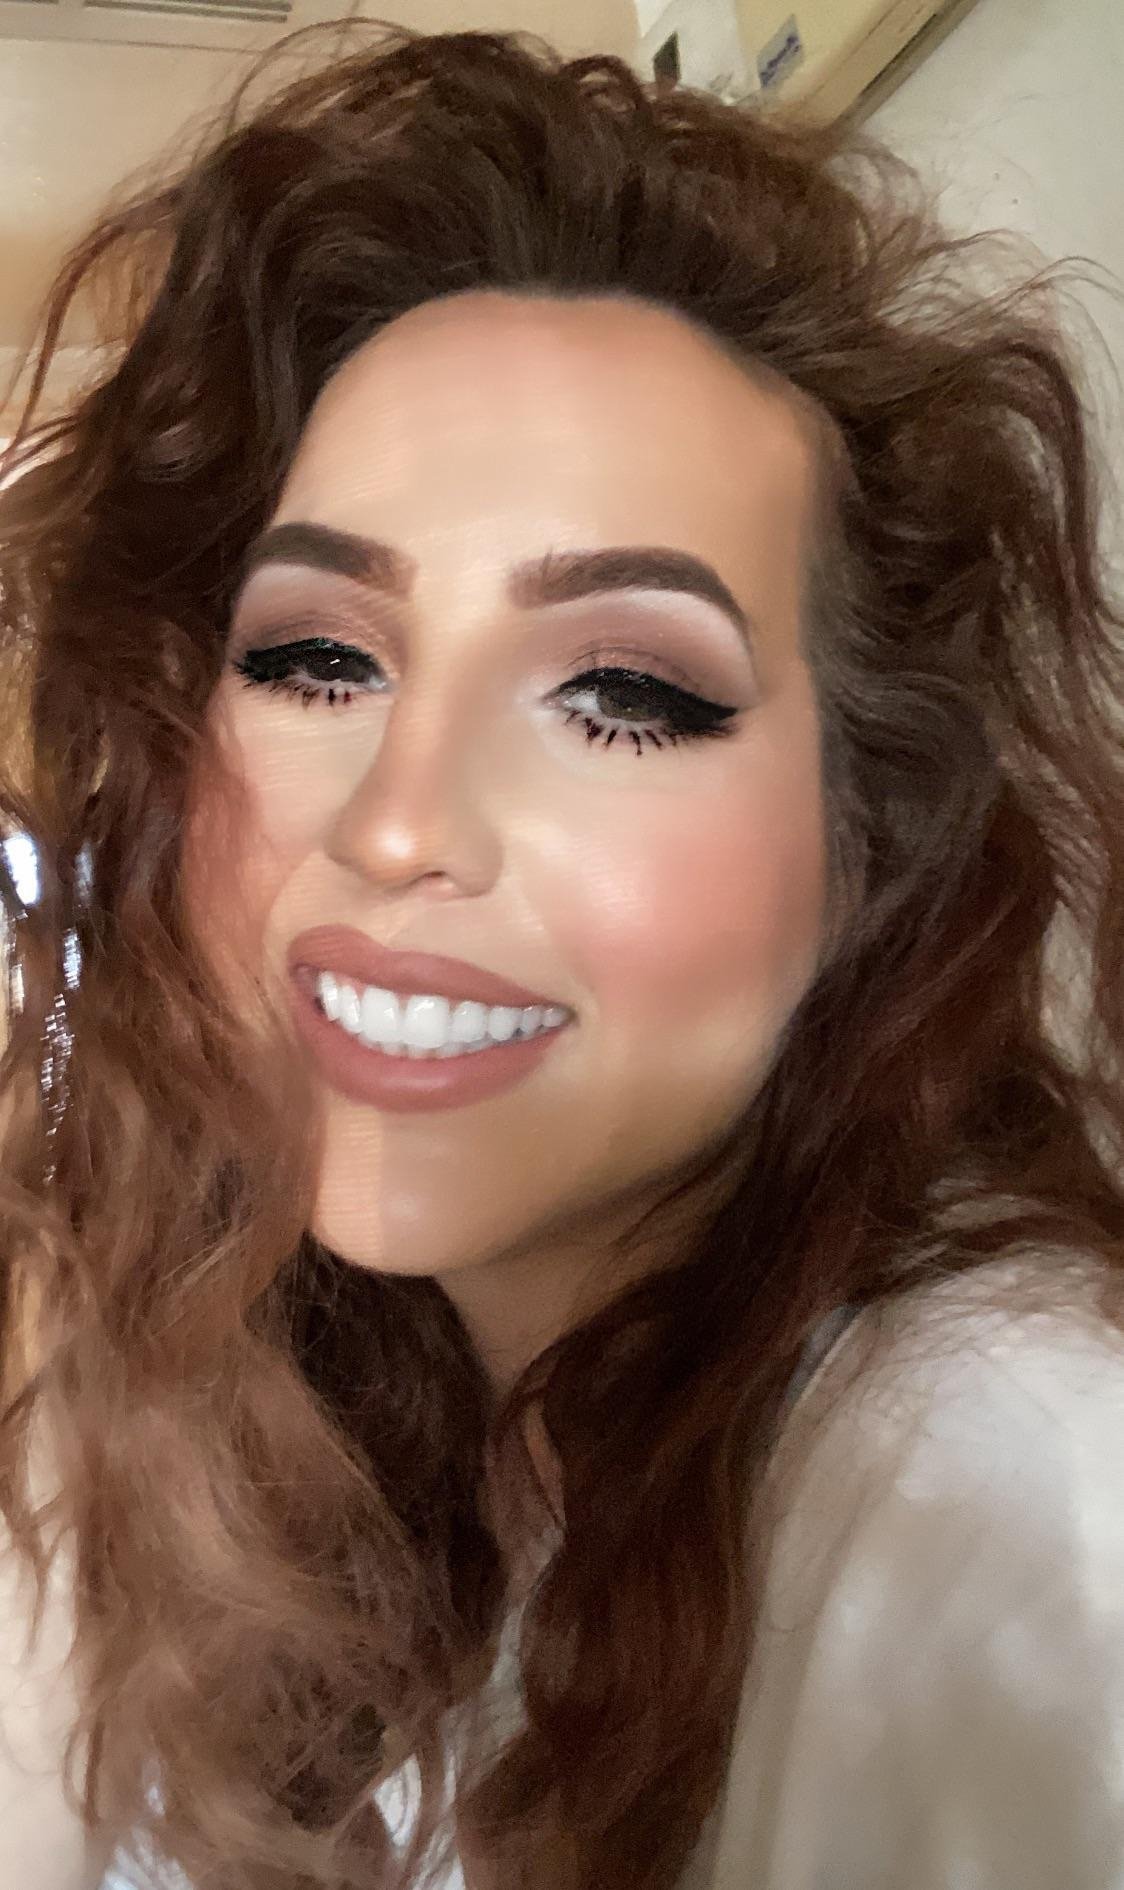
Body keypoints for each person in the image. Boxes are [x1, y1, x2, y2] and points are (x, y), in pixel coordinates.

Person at [2, 20, 1124, 1890]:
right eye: (318, 660)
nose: (398, 822)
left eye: (623, 691)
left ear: (872, 847)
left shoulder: (1009, 1509)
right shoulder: (314, 1367)